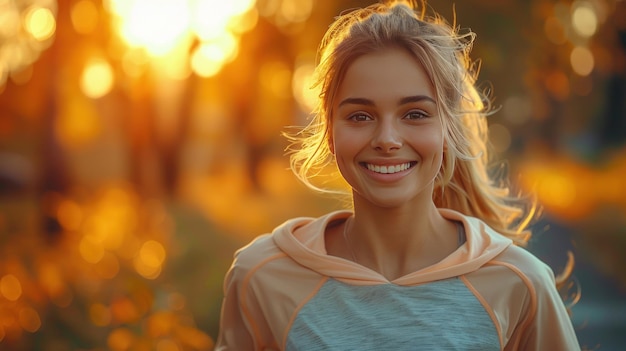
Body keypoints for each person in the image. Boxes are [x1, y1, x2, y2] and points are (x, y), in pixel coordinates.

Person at [215, 1, 580, 350]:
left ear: (448, 130)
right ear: (329, 131)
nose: (387, 140)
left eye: (415, 114)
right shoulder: (262, 276)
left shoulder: (520, 284)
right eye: (360, 116)